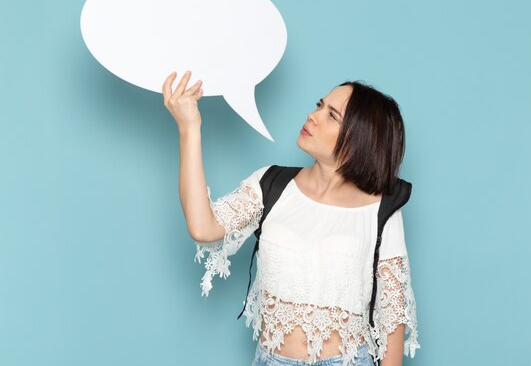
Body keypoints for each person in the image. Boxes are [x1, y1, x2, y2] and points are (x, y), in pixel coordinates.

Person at [162, 71, 420, 366]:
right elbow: (202, 226)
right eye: (319, 105)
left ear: (360, 138)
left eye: (332, 115)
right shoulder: (270, 184)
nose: (313, 116)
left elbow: (391, 320)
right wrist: (189, 128)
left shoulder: (381, 208)